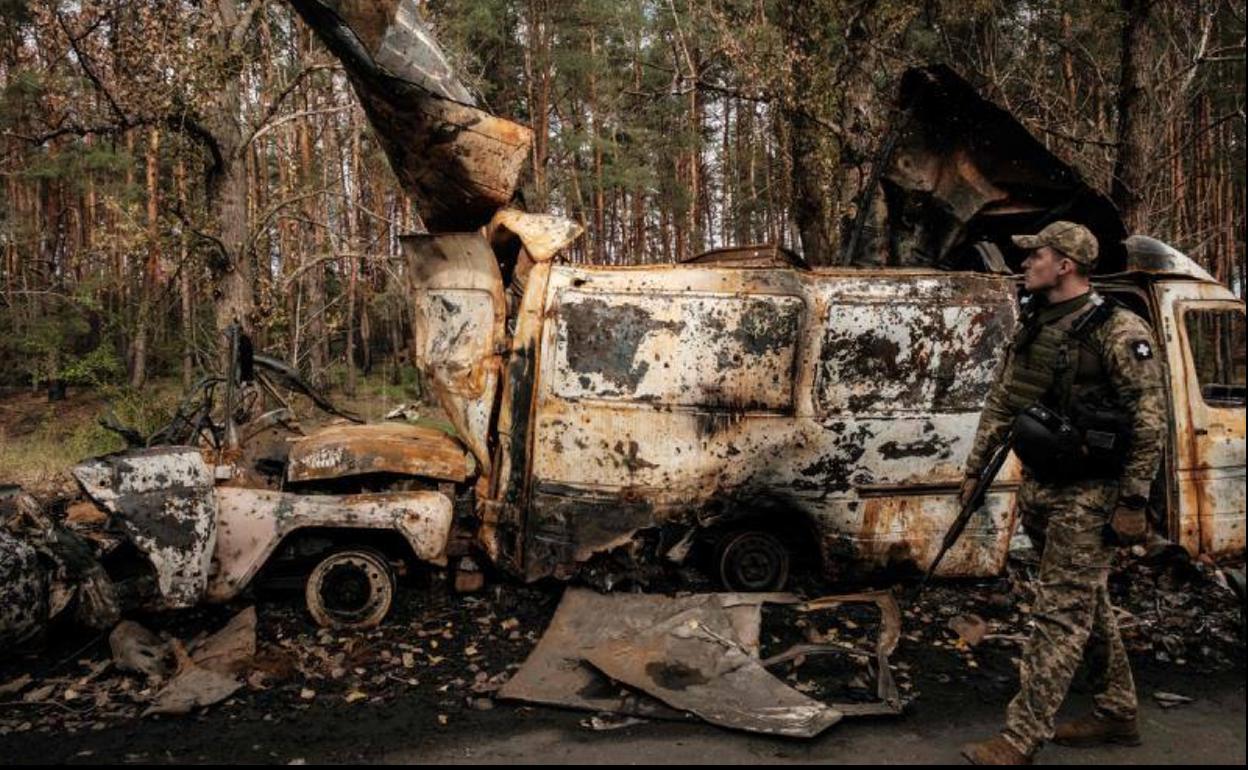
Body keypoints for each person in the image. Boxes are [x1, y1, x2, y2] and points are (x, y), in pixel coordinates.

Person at [957, 221, 1166, 765]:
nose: (1026, 264)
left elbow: (1150, 422)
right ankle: (1117, 711)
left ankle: (1020, 738)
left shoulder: (1118, 330)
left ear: (1065, 265)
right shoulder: (1035, 323)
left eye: (1037, 256)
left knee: (1059, 616)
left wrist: (1133, 501)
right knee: (1085, 601)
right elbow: (1004, 400)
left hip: (1090, 494)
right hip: (1044, 485)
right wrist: (975, 469)